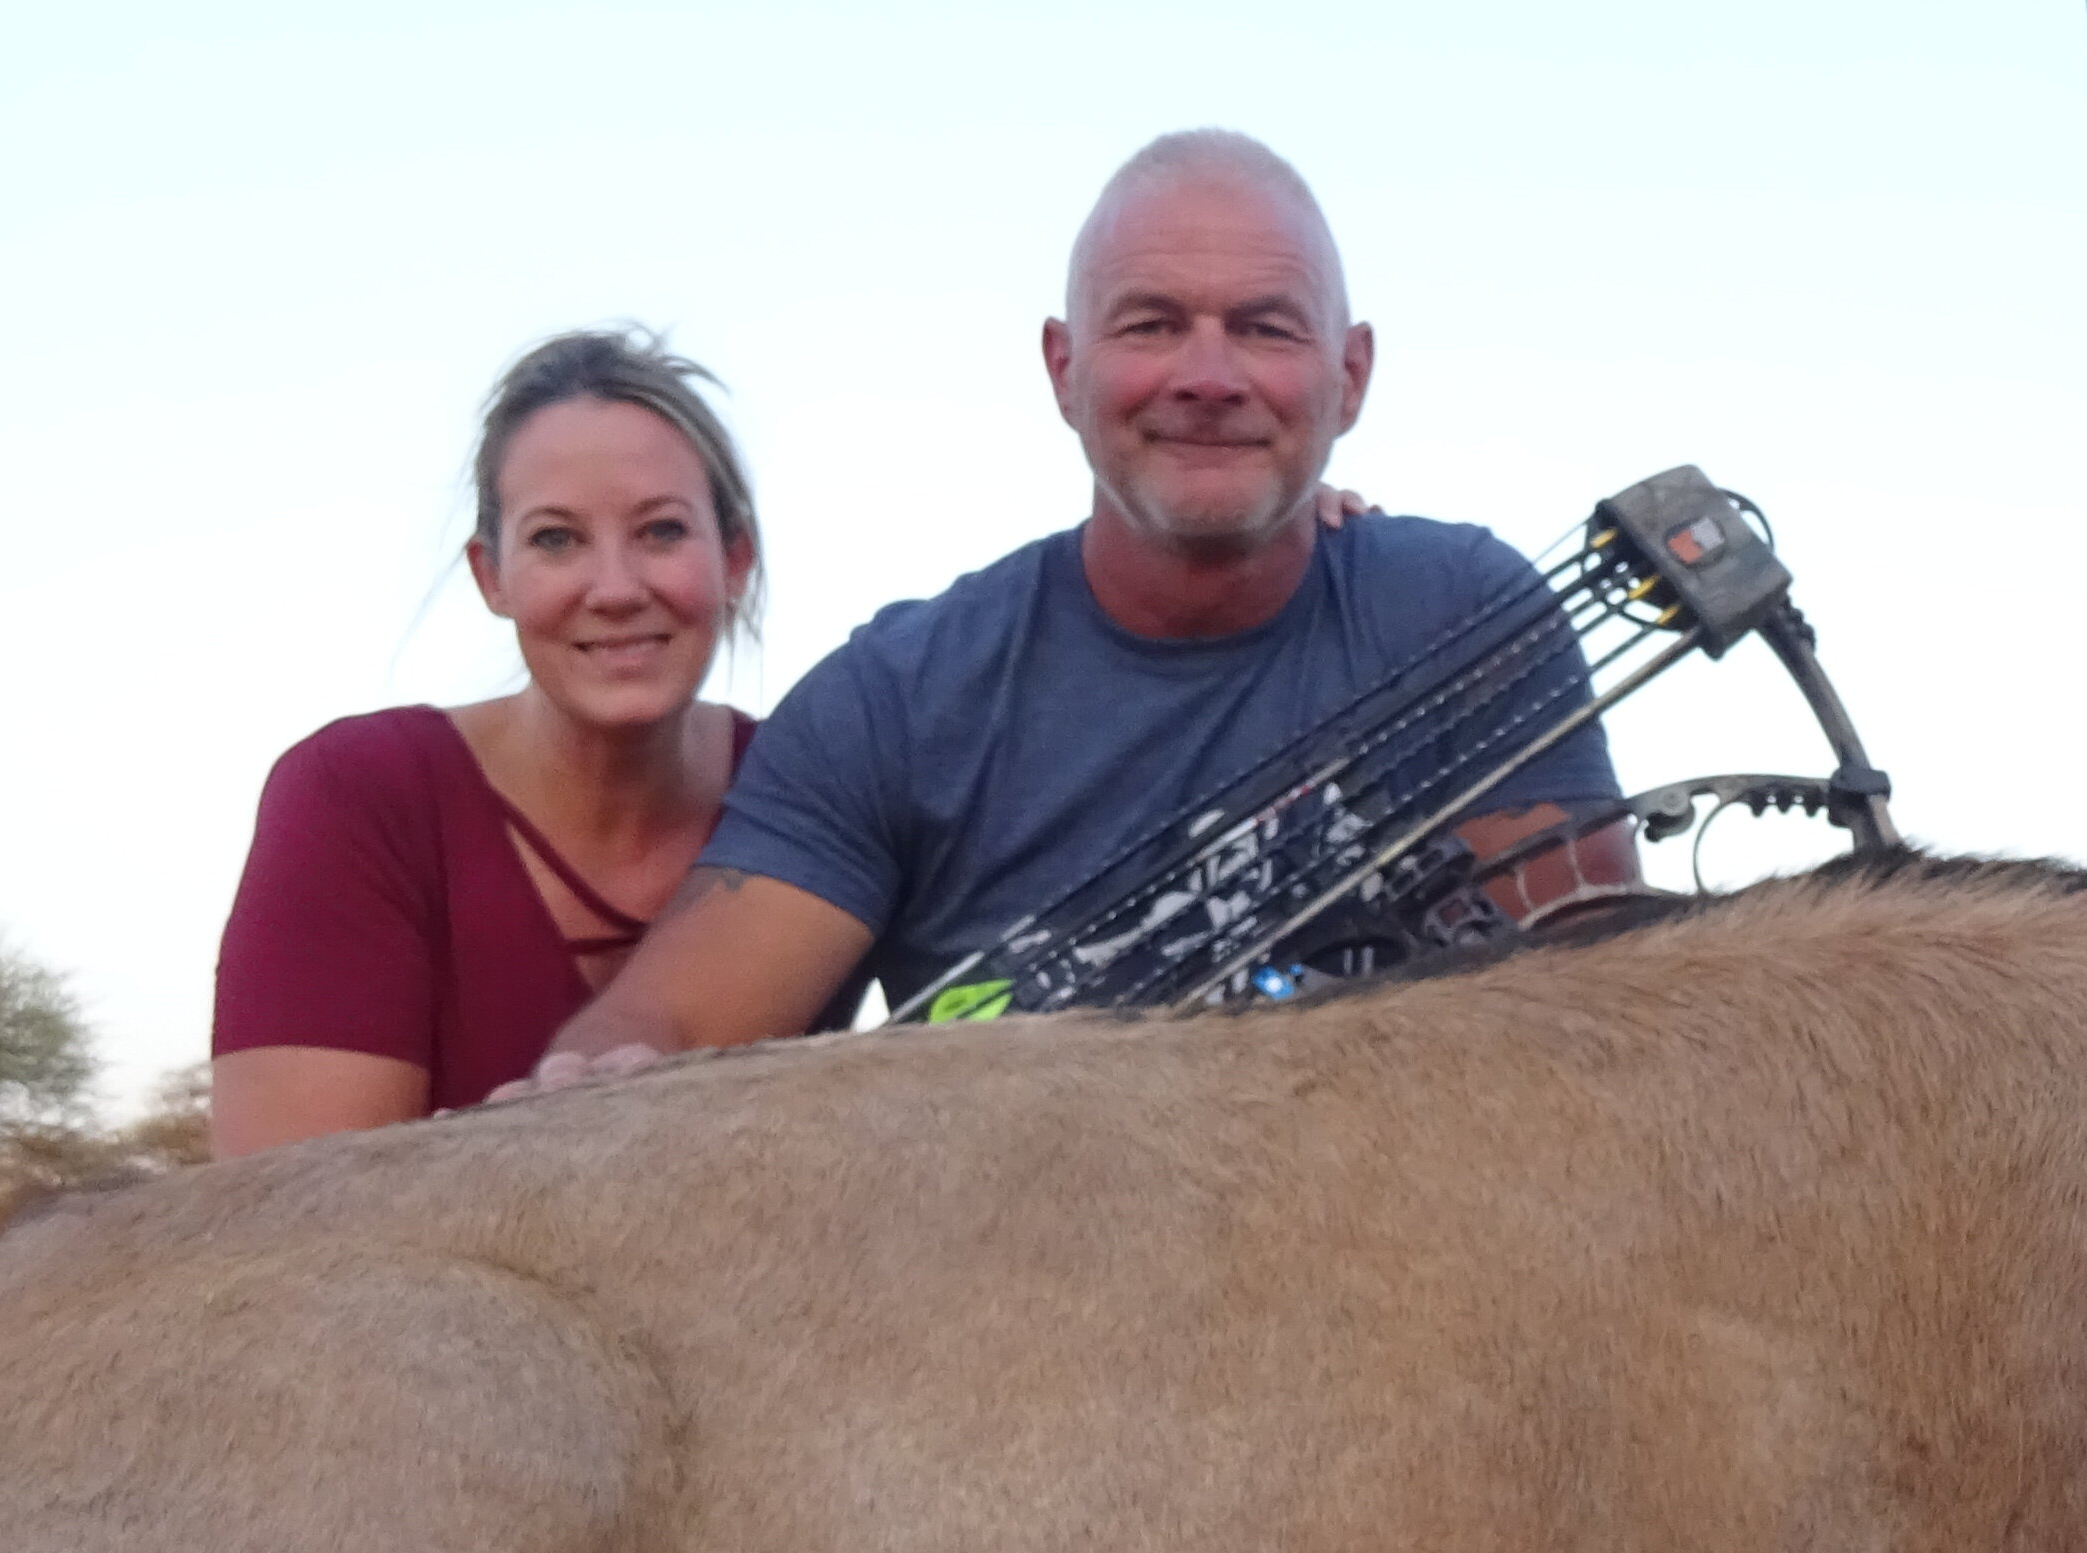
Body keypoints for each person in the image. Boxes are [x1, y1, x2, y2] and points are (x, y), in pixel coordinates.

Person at [527, 127, 1620, 1076]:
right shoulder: (896, 700)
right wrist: (582, 1089)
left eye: (1265, 327)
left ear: (1351, 377)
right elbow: (670, 1023)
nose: (1207, 375)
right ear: (1063, 368)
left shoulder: (1465, 614)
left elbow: (1596, 998)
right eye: (1149, 325)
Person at [209, 331, 766, 1153]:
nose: (615, 590)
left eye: (661, 532)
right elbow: (291, 1213)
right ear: (490, 576)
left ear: (735, 560)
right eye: (555, 539)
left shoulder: (808, 781)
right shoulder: (360, 794)